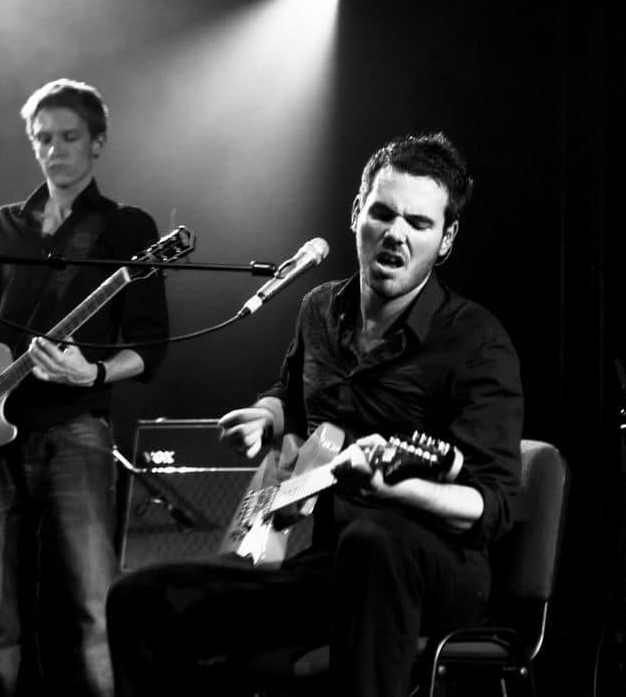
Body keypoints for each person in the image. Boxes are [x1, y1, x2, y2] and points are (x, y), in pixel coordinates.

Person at [106, 131, 523, 697]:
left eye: (419, 223)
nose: (395, 234)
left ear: (446, 239)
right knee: (140, 600)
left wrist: (396, 489)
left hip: (438, 572)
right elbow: (293, 393)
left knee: (374, 541)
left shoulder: (477, 341)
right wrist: (267, 416)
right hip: (330, 563)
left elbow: (494, 506)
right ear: (356, 214)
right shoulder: (319, 309)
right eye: (382, 213)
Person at [0, 78, 169, 697]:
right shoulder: (3, 226)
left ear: (98, 142)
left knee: (94, 606)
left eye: (69, 137)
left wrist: (92, 372)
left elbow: (150, 346)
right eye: (43, 139)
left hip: (77, 426)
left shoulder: (128, 227)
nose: (54, 150)